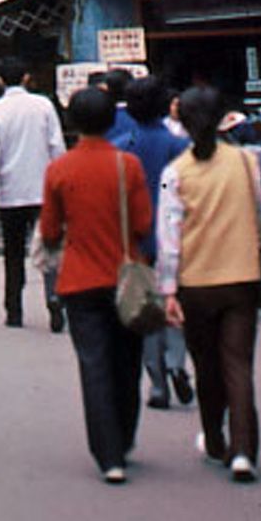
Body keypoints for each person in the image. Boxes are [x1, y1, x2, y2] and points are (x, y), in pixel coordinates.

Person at [39, 88, 151, 485]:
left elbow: (50, 230)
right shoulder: (128, 166)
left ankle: (108, 456)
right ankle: (125, 437)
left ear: (72, 123)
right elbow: (142, 224)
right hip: (125, 278)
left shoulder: (59, 170)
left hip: (79, 280)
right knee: (127, 362)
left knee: (95, 366)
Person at [158, 87, 261, 483]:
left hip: (195, 282)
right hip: (242, 276)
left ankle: (216, 438)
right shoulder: (246, 162)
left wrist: (168, 290)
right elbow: (258, 212)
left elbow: (169, 237)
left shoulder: (174, 173)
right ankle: (244, 450)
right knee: (239, 364)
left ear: (182, 122)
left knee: (206, 365)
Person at [116, 78, 194, 411]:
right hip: (176, 235)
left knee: (147, 311)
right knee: (174, 304)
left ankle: (158, 383)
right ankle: (177, 363)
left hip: (136, 239)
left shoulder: (121, 147)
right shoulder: (180, 145)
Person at [0, 56, 67, 331]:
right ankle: (53, 296)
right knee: (50, 245)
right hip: (44, 190)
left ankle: (13, 309)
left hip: (10, 191)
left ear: (0, 80)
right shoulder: (43, 105)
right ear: (27, 77)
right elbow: (56, 145)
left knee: (13, 252)